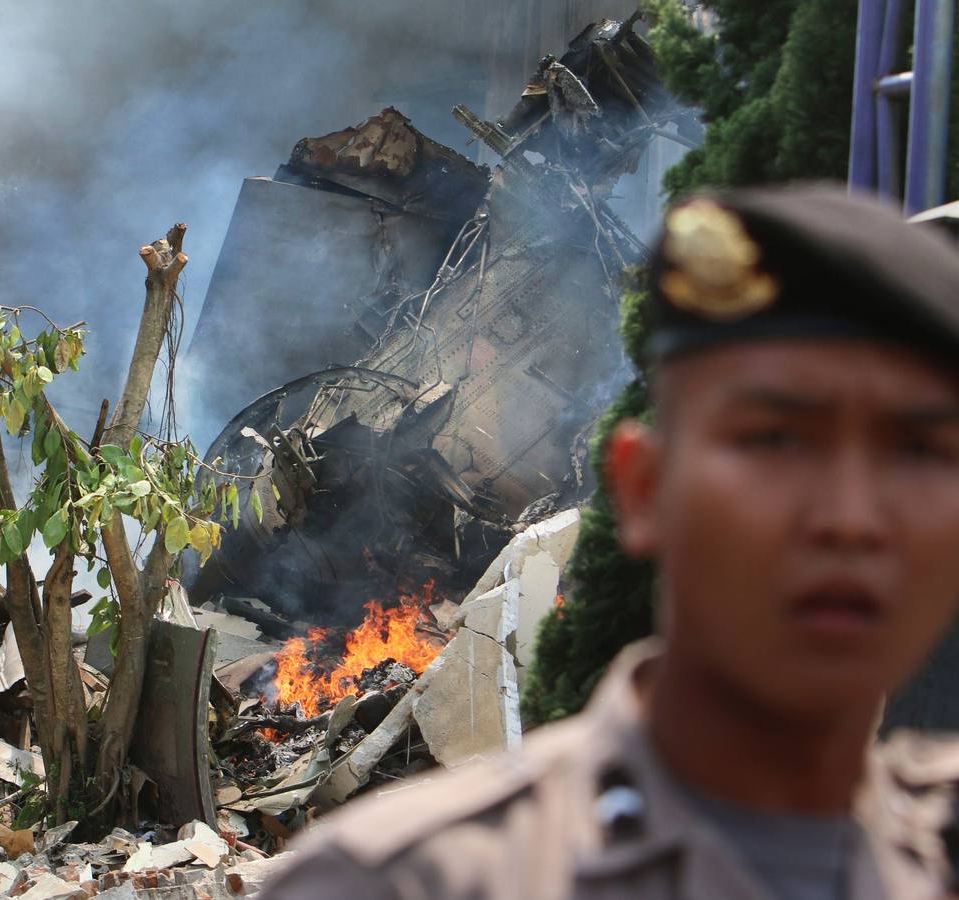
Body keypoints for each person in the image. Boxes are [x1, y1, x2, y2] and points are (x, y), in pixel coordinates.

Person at [259, 185, 959, 900]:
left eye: (921, 451)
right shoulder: (416, 882)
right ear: (644, 489)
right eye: (776, 442)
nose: (851, 518)